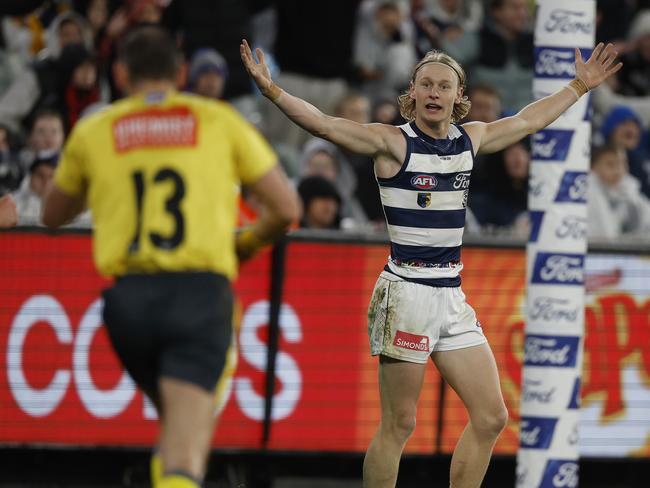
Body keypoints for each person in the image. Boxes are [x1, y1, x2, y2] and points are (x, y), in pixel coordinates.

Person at [241, 39, 621, 487]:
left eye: (445, 86)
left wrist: (580, 85)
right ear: (413, 93)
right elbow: (325, 124)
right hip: (406, 292)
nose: (435, 93)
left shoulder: (470, 138)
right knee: (399, 425)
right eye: (427, 85)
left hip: (451, 297)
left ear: (459, 98)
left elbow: (528, 119)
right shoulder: (391, 142)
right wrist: (272, 91)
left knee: (491, 416)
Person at [43, 26, 299, 488]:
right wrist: (243, 246)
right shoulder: (217, 121)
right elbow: (285, 209)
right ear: (182, 73)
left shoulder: (97, 129)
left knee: (175, 428)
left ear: (119, 75)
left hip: (128, 304)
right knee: (187, 448)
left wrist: (107, 179)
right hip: (198, 296)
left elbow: (52, 214)